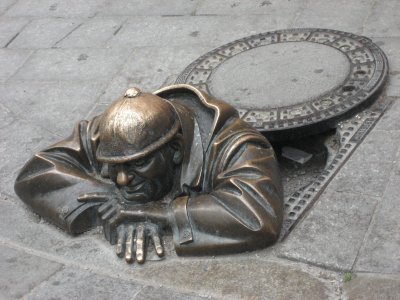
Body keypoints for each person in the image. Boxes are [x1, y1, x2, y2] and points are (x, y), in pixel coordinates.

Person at [14, 84, 283, 264]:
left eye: (137, 165)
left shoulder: (237, 146)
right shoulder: (114, 132)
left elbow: (257, 216)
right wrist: (108, 203)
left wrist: (160, 214)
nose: (121, 180)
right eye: (115, 166)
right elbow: (36, 173)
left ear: (176, 149)